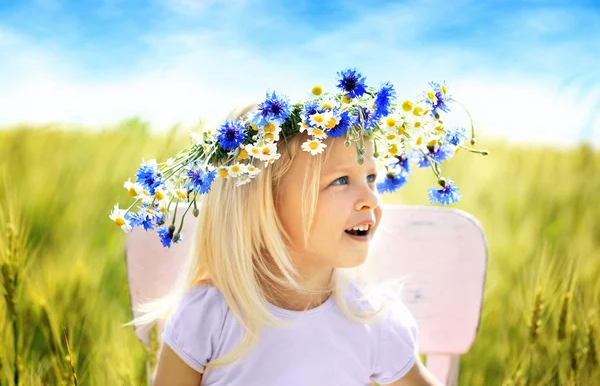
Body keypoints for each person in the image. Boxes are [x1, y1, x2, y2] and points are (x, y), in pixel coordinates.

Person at [115, 69, 484, 385]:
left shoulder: (374, 318)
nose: (370, 198)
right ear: (263, 205)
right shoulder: (210, 315)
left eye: (371, 177)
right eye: (340, 180)